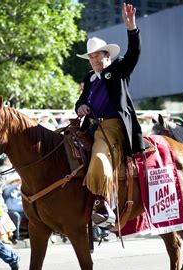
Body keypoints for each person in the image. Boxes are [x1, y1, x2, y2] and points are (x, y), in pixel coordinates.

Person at [75, 3, 143, 229]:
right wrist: (80, 107)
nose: (94, 60)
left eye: (98, 56)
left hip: (111, 128)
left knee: (100, 156)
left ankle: (103, 204)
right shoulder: (89, 78)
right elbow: (82, 100)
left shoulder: (118, 71)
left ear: (107, 57)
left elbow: (133, 53)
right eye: (91, 58)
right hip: (89, 127)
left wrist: (132, 29)